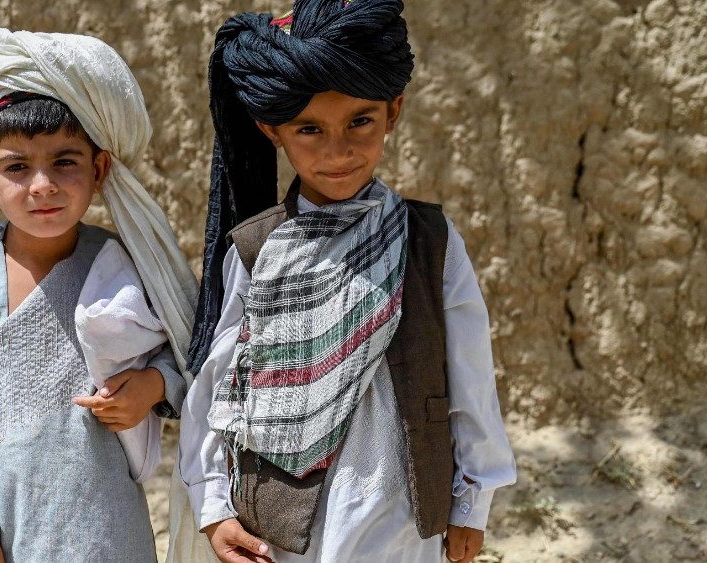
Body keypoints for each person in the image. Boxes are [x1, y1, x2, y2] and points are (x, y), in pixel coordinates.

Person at [178, 1, 517, 562]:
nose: (338, 152)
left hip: (403, 510)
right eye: (309, 129)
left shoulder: (430, 241)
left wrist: (471, 503)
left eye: (360, 120)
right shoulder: (258, 249)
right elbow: (219, 386)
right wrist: (214, 507)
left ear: (394, 110)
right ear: (272, 130)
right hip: (285, 517)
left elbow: (471, 377)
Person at [0, 28, 198, 562]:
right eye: (16, 167)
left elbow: (190, 357)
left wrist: (153, 386)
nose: (42, 184)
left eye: (64, 161)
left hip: (113, 537)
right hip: (4, 540)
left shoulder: (124, 264)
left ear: (99, 168)